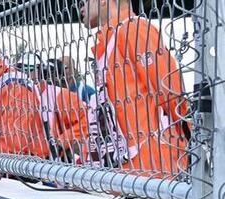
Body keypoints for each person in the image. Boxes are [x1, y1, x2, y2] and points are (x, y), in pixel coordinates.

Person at [79, 0, 189, 185]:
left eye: (83, 1)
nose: (79, 7)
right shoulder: (108, 42)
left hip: (155, 166)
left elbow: (171, 95)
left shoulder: (134, 28)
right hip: (128, 168)